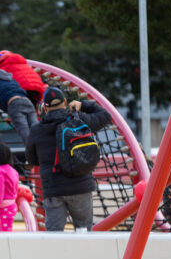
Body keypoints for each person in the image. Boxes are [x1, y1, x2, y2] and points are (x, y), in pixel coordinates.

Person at [25, 87, 111, 232]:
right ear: (65, 102)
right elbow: (106, 116)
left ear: (44, 108)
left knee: (55, 235)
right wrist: (83, 105)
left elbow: (31, 159)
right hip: (81, 186)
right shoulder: (79, 120)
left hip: (53, 190)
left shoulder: (36, 130)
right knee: (84, 233)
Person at [0, 61, 38, 147]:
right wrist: (11, 116)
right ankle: (42, 149)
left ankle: (33, 155)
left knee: (24, 132)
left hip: (14, 105)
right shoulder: (10, 79)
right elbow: (11, 93)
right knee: (36, 128)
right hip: (28, 103)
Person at [0, 142, 20, 232]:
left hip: (4, 206)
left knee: (5, 231)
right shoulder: (12, 170)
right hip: (11, 205)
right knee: (7, 229)